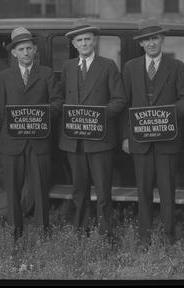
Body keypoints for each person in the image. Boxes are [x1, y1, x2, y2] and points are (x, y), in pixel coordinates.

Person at [121, 24, 184, 246]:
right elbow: (124, 104)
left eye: (155, 38)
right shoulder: (130, 68)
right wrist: (126, 136)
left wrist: (169, 114)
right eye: (147, 40)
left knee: (167, 189)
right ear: (141, 43)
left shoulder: (177, 66)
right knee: (142, 190)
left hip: (167, 140)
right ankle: (145, 237)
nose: (151, 43)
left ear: (162, 40)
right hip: (140, 141)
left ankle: (168, 236)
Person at [59, 24, 126, 241]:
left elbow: (119, 100)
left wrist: (97, 116)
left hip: (100, 140)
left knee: (103, 191)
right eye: (79, 41)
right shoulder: (68, 67)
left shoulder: (108, 66)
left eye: (87, 39)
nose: (84, 44)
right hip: (74, 142)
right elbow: (62, 99)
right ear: (73, 44)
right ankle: (80, 230)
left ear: (94, 41)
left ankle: (105, 233)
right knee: (79, 190)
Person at [0, 27, 63, 241]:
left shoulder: (46, 73)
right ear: (14, 53)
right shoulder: (5, 76)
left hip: (39, 141)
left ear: (35, 50)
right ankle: (15, 231)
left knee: (41, 188)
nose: (25, 53)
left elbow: (57, 102)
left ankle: (43, 230)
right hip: (12, 142)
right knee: (13, 189)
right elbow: (0, 109)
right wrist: (16, 124)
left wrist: (40, 117)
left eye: (29, 48)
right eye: (21, 49)